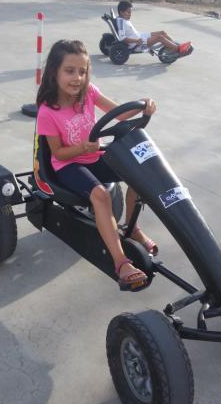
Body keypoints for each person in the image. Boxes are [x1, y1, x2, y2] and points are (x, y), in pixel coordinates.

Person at [36, 39, 158, 292]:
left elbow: (119, 113)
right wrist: (83, 147)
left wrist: (143, 106)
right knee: (100, 195)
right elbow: (58, 153)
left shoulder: (89, 92)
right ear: (54, 72)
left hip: (93, 156)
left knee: (139, 173)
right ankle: (121, 263)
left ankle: (132, 227)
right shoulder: (48, 111)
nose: (77, 78)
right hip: (67, 165)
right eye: (70, 71)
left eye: (82, 71)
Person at [116, 0, 192, 55]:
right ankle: (178, 50)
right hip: (138, 44)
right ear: (121, 12)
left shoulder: (123, 19)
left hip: (141, 36)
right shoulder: (121, 22)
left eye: (130, 12)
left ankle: (175, 46)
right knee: (160, 37)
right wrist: (136, 41)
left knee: (162, 32)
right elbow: (122, 38)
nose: (130, 14)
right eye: (128, 12)